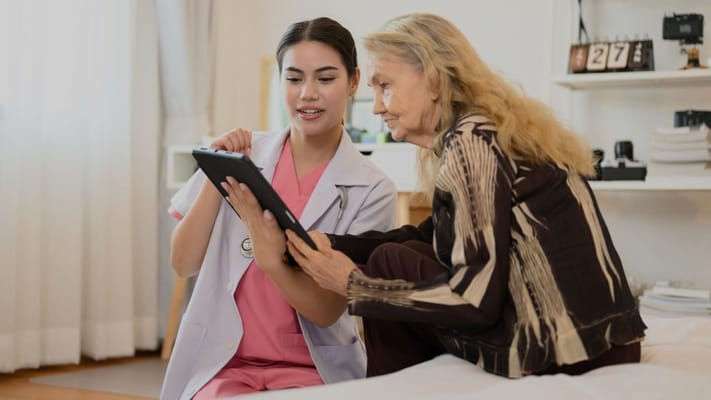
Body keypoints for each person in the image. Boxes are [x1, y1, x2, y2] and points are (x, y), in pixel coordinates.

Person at [283, 13, 647, 378]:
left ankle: (389, 388)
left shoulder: (472, 142)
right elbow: (428, 234)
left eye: (385, 86)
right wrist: (332, 244)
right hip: (604, 341)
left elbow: (476, 303)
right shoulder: (488, 130)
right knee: (401, 255)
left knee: (389, 263)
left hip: (568, 350)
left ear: (433, 79)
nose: (377, 106)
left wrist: (354, 285)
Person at [159, 17, 398, 400]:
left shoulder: (374, 190)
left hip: (313, 370)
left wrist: (272, 260)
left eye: (325, 78)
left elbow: (326, 311)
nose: (308, 94)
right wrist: (215, 172)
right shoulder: (241, 153)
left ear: (353, 82)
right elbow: (183, 262)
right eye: (293, 78)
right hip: (225, 365)